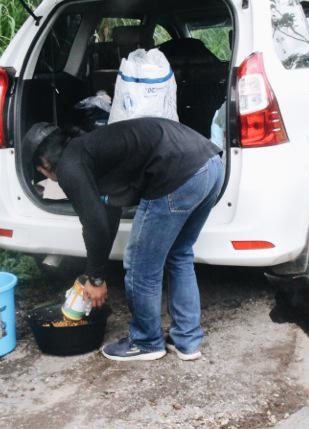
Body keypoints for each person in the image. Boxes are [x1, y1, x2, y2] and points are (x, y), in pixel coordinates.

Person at [24, 117, 224, 362]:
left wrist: (96, 277)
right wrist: (95, 272)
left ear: (44, 163)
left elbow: (94, 223)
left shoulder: (69, 166)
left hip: (178, 174)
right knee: (179, 254)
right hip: (211, 165)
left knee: (140, 265)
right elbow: (108, 215)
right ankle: (187, 341)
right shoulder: (90, 150)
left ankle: (146, 341)